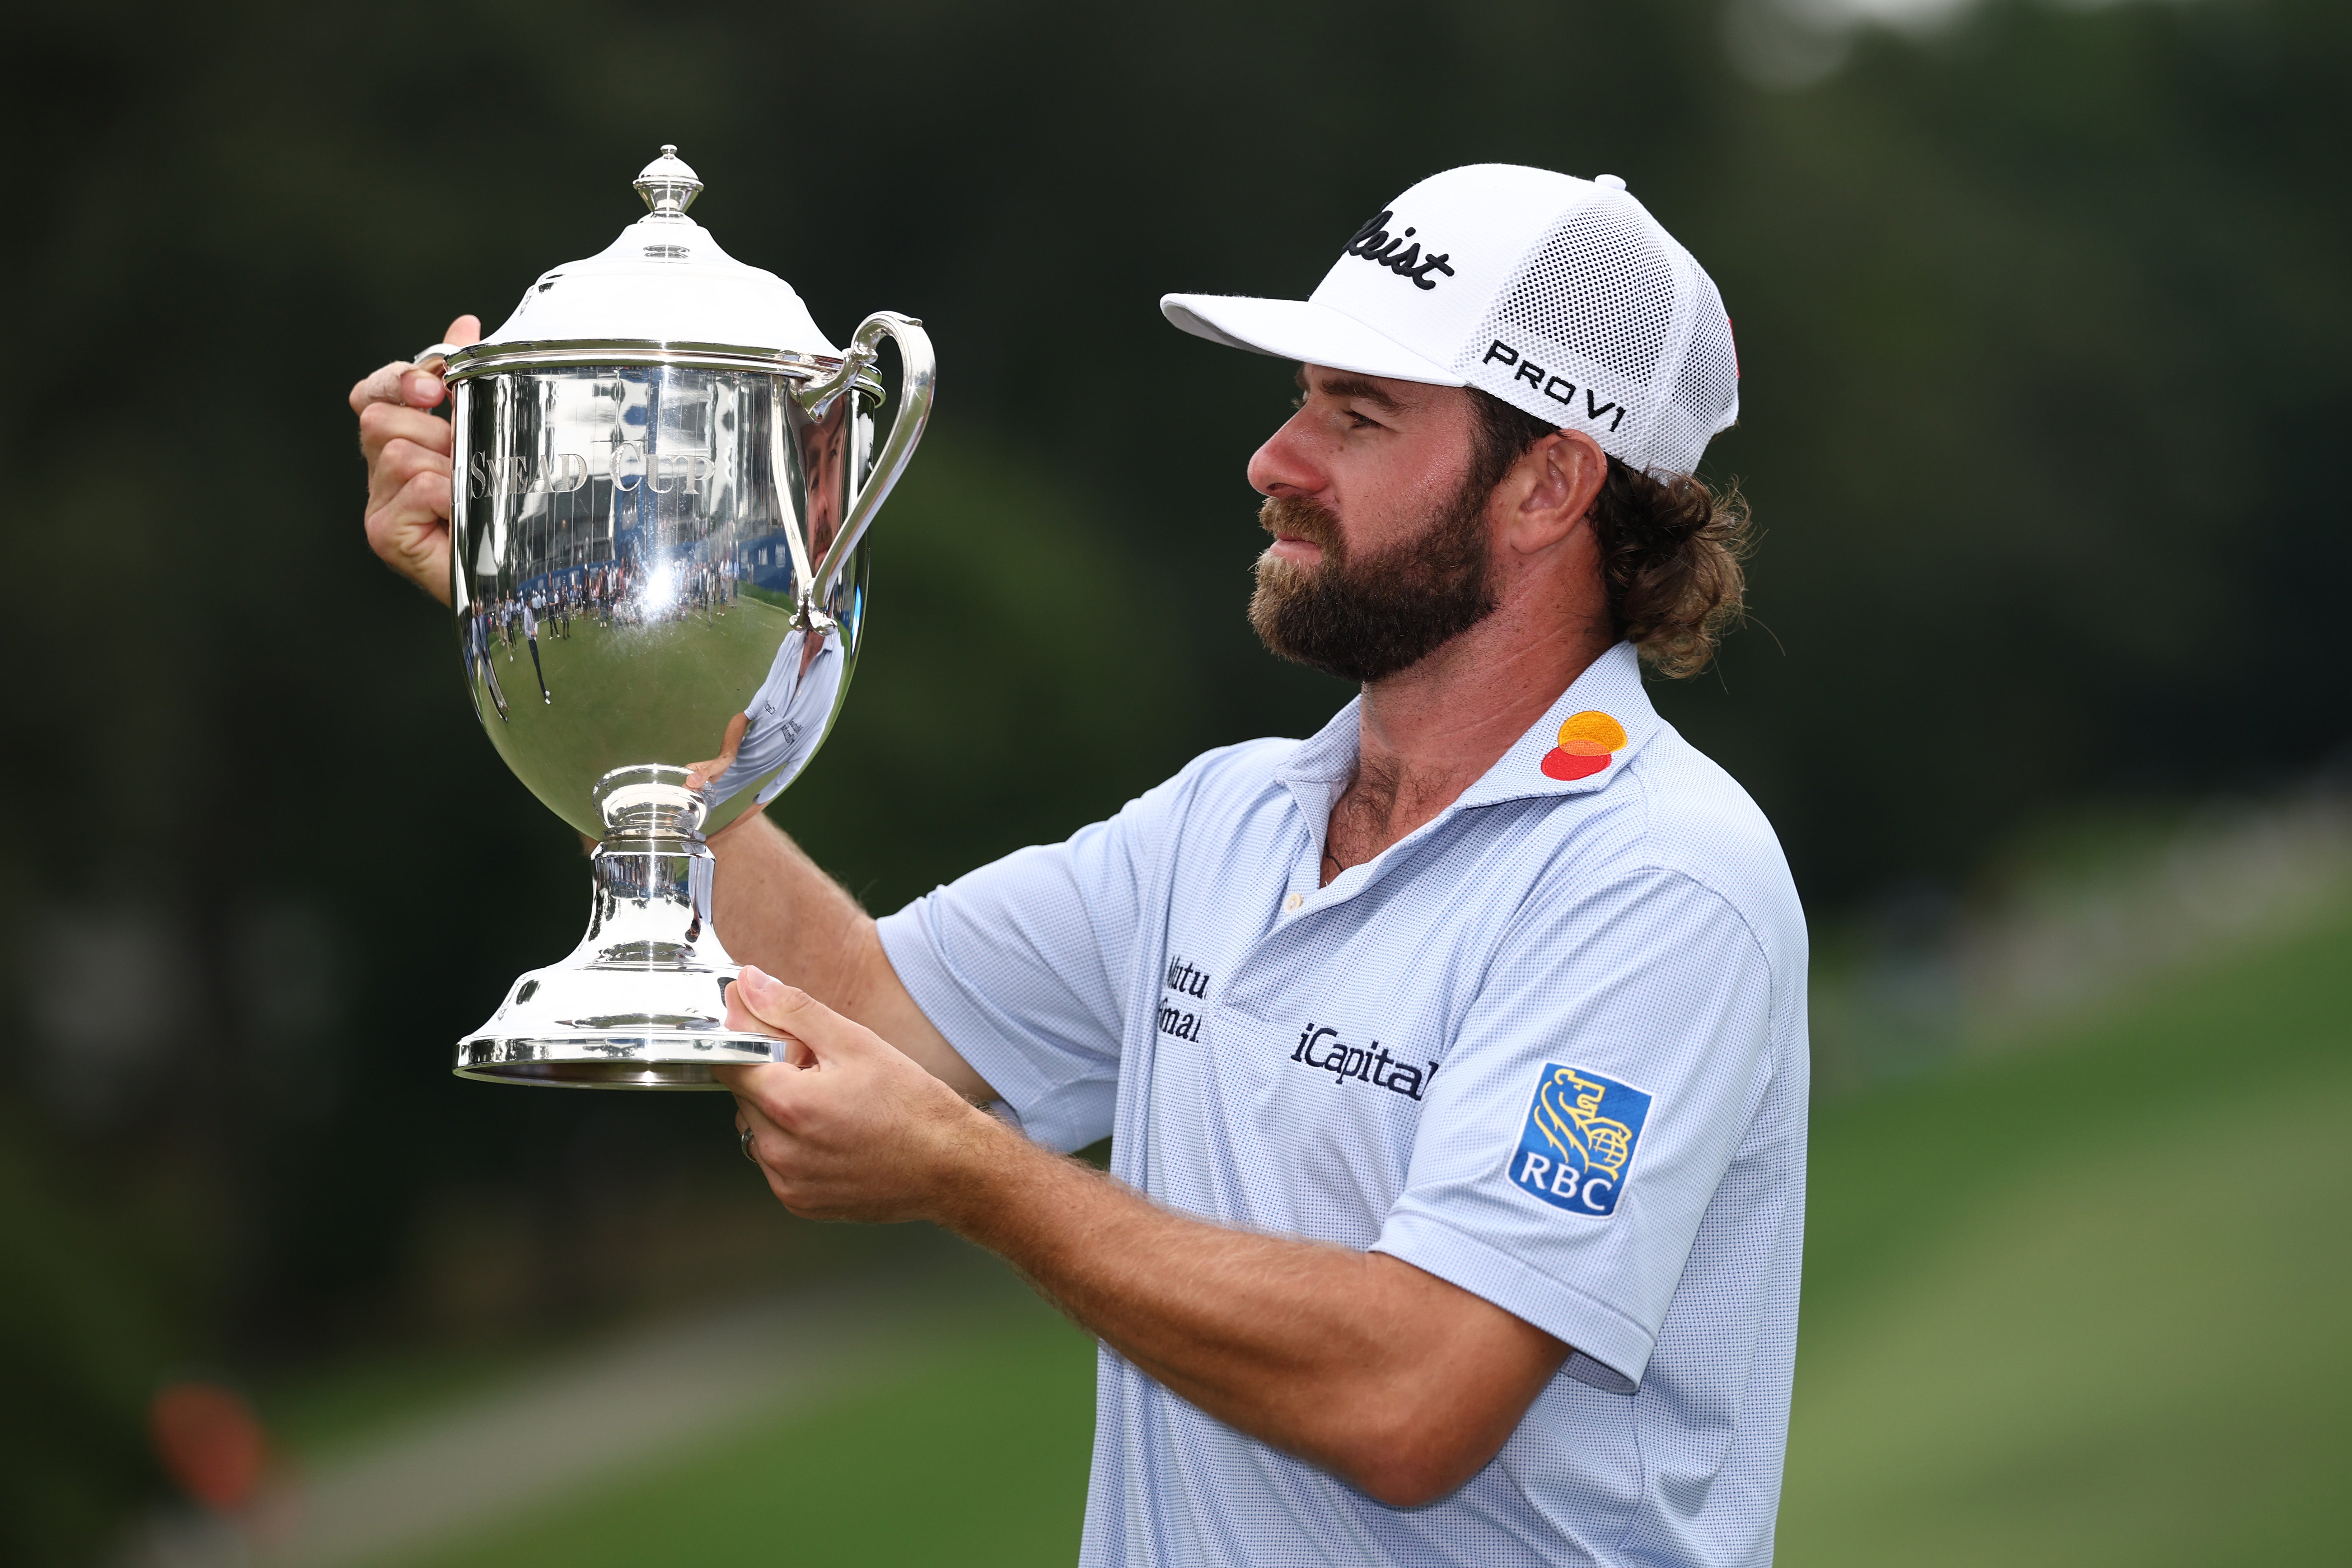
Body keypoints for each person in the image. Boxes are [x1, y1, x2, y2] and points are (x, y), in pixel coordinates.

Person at [351, 164, 1803, 1568]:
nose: (1275, 462)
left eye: (1357, 416)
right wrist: (575, 623)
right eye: (1298, 401)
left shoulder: (1660, 876)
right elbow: (857, 1006)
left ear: (1549, 483)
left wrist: (976, 1179)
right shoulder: (1226, 822)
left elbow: (1414, 1391)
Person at [684, 625, 846, 810]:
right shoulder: (793, 639)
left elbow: (769, 795)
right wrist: (726, 759)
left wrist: (717, 835)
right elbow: (747, 715)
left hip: (743, 795)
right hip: (729, 773)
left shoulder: (837, 659)